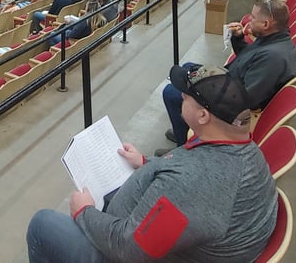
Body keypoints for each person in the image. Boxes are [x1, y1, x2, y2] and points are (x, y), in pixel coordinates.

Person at [27, 65, 277, 263]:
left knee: (42, 224)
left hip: (124, 251)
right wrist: (145, 162)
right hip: (171, 240)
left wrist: (84, 213)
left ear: (203, 116)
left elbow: (129, 249)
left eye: (187, 96)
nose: (180, 96)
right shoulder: (242, 148)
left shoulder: (192, 184)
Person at [163, 0, 296, 146]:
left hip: (230, 104)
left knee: (171, 92)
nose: (249, 20)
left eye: (253, 17)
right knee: (188, 67)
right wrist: (238, 38)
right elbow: (250, 59)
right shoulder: (274, 40)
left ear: (266, 23)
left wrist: (207, 88)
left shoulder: (273, 58)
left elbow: (244, 101)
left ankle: (184, 145)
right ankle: (181, 130)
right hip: (232, 83)